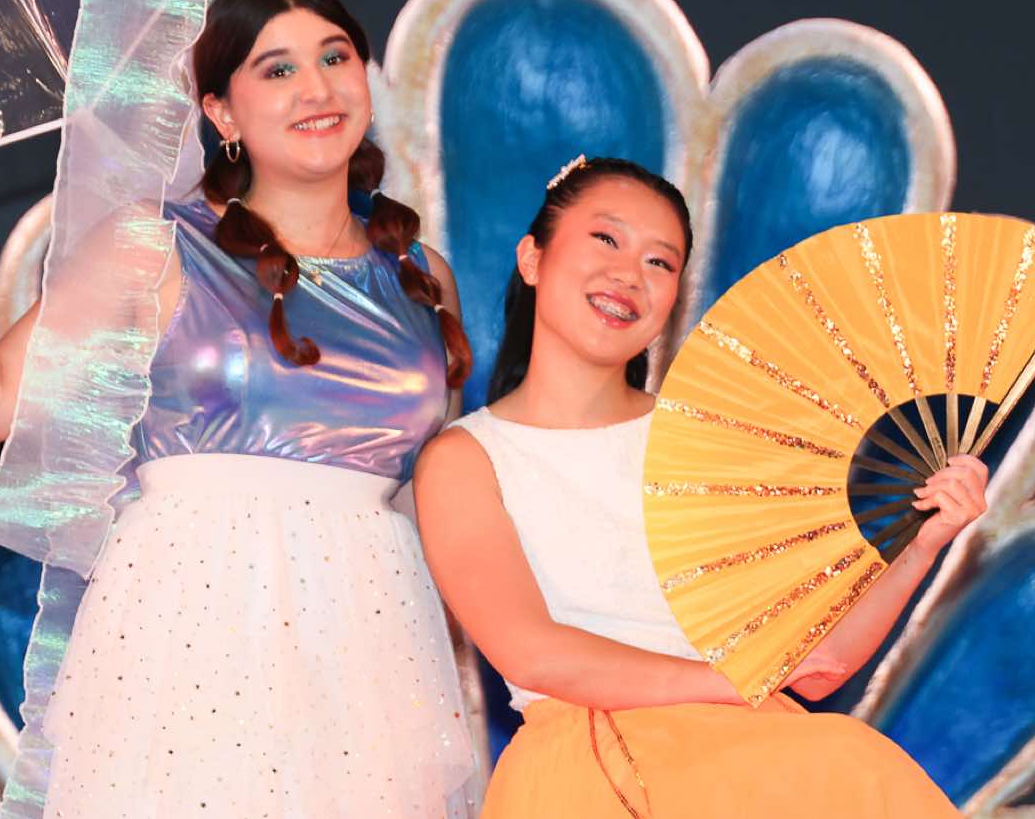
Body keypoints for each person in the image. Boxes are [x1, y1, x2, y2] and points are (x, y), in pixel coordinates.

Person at [0, 0, 479, 818]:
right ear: (221, 113)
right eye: (277, 68)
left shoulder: (421, 276)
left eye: (334, 56)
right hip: (193, 637)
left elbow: (437, 502)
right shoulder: (152, 248)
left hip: (374, 650)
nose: (315, 87)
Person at [413, 156, 980, 817]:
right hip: (594, 764)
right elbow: (532, 652)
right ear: (532, 257)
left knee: (859, 765)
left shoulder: (713, 440)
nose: (630, 274)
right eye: (606, 238)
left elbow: (819, 661)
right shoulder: (467, 457)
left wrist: (922, 543)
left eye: (660, 262)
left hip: (760, 758)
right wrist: (732, 683)